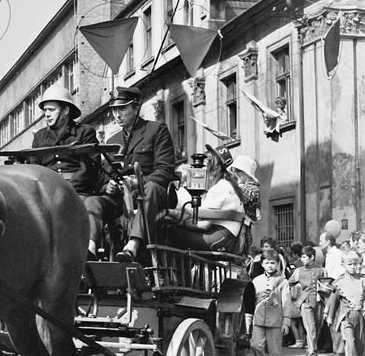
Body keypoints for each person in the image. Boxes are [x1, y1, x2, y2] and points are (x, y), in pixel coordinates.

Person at [94, 86, 175, 262]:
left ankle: (133, 244)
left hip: (153, 193)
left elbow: (165, 170)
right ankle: (91, 249)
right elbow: (104, 176)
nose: (117, 115)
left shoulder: (156, 129)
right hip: (122, 197)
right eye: (114, 110)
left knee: (151, 188)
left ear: (136, 108)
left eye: (122, 108)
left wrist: (139, 182)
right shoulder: (111, 141)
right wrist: (108, 186)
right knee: (93, 201)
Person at [28, 84, 102, 258]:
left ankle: (87, 251)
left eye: (51, 109)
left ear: (66, 110)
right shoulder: (39, 137)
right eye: (45, 110)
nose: (46, 114)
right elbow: (34, 169)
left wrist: (66, 189)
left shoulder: (85, 132)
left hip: (78, 192)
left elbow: (90, 167)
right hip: (45, 192)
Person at [166, 147, 245, 252]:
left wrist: (178, 222)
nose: (203, 169)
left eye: (207, 163)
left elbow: (204, 224)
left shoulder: (220, 188)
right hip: (226, 239)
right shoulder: (229, 185)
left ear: (216, 168)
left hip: (218, 238)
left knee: (169, 230)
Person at [250, 248, 292, 356]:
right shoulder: (256, 281)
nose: (270, 266)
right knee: (255, 345)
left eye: (273, 263)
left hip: (276, 320)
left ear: (278, 264)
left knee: (275, 352)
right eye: (267, 262)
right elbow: (251, 301)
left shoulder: (283, 282)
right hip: (259, 318)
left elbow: (287, 303)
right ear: (262, 264)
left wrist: (286, 321)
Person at [324, 250, 365, 356]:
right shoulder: (340, 282)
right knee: (350, 344)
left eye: (358, 264)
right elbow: (334, 299)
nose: (355, 267)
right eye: (351, 264)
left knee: (360, 345)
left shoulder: (363, 280)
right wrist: (329, 316)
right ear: (343, 264)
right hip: (346, 317)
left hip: (360, 316)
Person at [288, 245, 326, 356]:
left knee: (318, 328)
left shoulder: (322, 270)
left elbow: (327, 284)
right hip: (305, 302)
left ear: (312, 257)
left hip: (319, 301)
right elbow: (289, 283)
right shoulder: (298, 271)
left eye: (304, 257)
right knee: (311, 329)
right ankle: (313, 355)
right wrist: (297, 292)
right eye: (301, 257)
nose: (302, 259)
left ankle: (310, 348)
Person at [318, 231, 345, 356]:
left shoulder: (337, 254)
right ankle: (335, 347)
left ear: (328, 241)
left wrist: (332, 284)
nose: (319, 243)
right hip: (329, 288)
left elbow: (340, 272)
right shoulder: (329, 254)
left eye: (321, 240)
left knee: (335, 318)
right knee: (330, 319)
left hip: (335, 288)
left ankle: (339, 350)